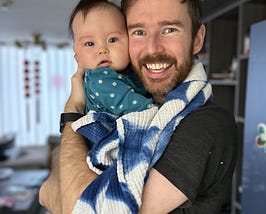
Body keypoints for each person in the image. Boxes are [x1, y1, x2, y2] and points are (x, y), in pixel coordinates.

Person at [39, 0, 237, 213]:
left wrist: (72, 113)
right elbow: (45, 192)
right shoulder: (124, 87)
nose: (153, 48)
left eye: (169, 29)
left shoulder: (207, 123)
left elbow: (71, 202)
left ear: (197, 40)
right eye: (139, 32)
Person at [68, 0, 154, 173]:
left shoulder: (127, 73)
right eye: (90, 44)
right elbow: (138, 108)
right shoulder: (100, 79)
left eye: (112, 39)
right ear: (77, 56)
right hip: (110, 155)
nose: (102, 50)